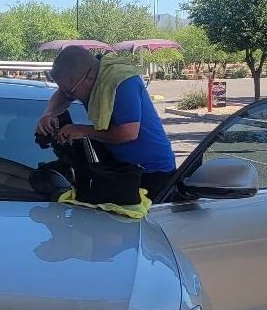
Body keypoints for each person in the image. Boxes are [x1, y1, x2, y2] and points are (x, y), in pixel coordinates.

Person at [36, 45, 176, 200]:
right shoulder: (86, 80)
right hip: (120, 169)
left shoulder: (122, 82)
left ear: (88, 77)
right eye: (64, 90)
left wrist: (82, 130)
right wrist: (49, 113)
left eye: (71, 91)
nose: (68, 95)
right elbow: (62, 96)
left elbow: (128, 133)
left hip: (153, 173)